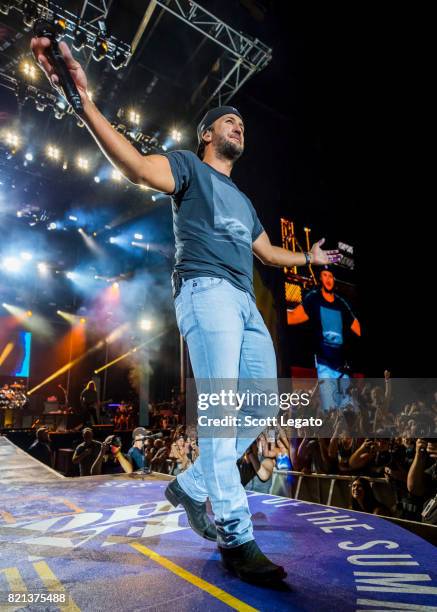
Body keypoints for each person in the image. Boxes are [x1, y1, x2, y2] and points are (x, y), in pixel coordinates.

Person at [31, 36, 340, 585]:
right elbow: (134, 166)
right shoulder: (188, 171)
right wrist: (83, 103)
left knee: (262, 405)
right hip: (206, 291)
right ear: (207, 135)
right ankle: (235, 536)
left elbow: (267, 253)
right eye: (230, 122)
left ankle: (194, 486)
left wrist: (311, 258)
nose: (240, 128)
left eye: (244, 124)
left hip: (244, 302)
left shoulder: (245, 201)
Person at [287, 267, 361, 412]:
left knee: (350, 410)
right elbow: (294, 316)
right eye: (325, 275)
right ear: (320, 279)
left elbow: (355, 325)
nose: (328, 279)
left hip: (341, 365)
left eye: (330, 276)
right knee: (331, 408)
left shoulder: (340, 302)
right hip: (324, 362)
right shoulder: (314, 298)